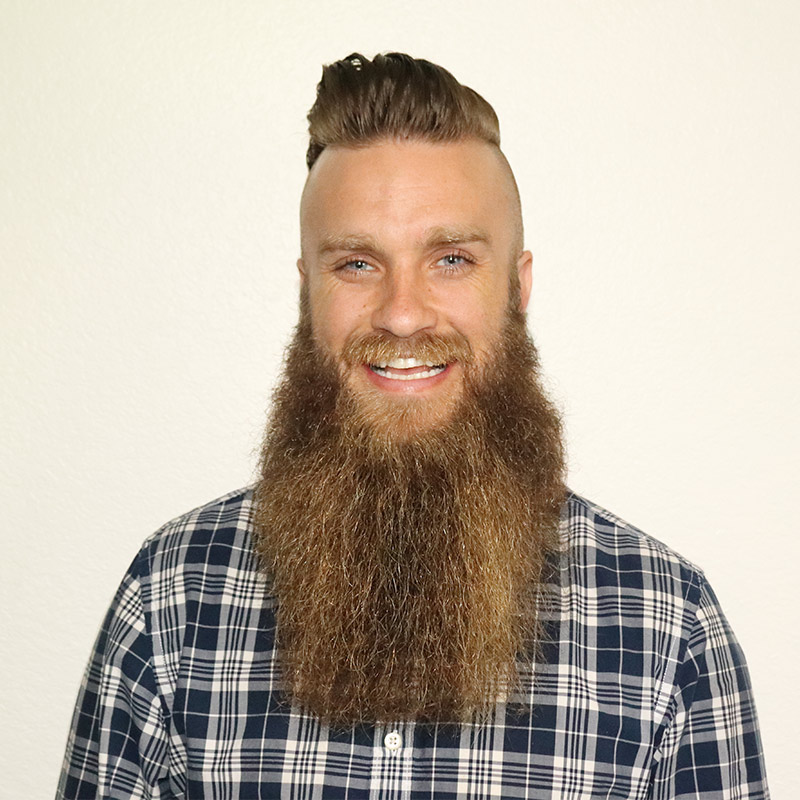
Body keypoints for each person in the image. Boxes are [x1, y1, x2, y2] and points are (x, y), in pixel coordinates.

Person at [57, 52, 769, 799]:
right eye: (357, 264)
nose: (401, 312)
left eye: (452, 258)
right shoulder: (171, 599)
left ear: (517, 288)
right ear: (309, 291)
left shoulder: (667, 628)